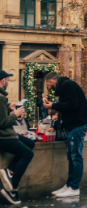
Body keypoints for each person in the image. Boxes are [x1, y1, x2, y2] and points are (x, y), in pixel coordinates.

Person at [43, 72, 87, 198]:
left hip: (77, 125)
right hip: (73, 125)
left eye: (48, 85)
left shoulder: (67, 85)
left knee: (76, 156)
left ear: (52, 82)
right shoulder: (66, 86)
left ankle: (74, 187)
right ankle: (69, 185)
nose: (49, 88)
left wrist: (53, 105)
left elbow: (72, 104)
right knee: (71, 156)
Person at [0, 70, 35, 205]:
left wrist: (9, 109)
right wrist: (15, 114)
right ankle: (12, 188)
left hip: (7, 135)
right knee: (28, 153)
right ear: (3, 80)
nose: (8, 82)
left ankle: (10, 171)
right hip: (3, 137)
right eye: (7, 79)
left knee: (30, 144)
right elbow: (2, 123)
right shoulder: (0, 97)